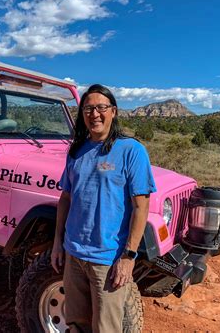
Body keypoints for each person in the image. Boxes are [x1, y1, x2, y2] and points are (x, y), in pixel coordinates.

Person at [51, 84, 157, 332]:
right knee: (76, 323)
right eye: (88, 108)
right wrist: (58, 242)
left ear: (113, 112)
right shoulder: (76, 150)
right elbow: (65, 198)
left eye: (101, 108)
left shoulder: (132, 151)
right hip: (74, 254)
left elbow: (141, 206)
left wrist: (129, 256)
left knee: (106, 327)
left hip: (107, 260)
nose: (94, 114)